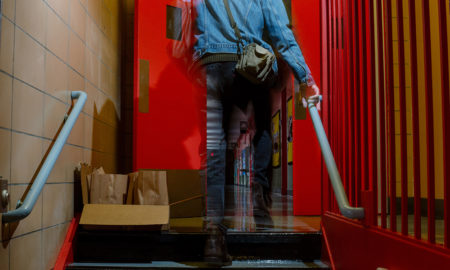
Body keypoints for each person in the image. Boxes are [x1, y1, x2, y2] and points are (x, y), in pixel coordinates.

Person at [192, 0, 320, 266]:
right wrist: (306, 79)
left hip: (213, 63)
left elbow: (192, 20)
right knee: (262, 126)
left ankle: (214, 237)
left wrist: (198, 57)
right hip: (249, 62)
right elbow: (281, 33)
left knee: (216, 144)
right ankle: (260, 202)